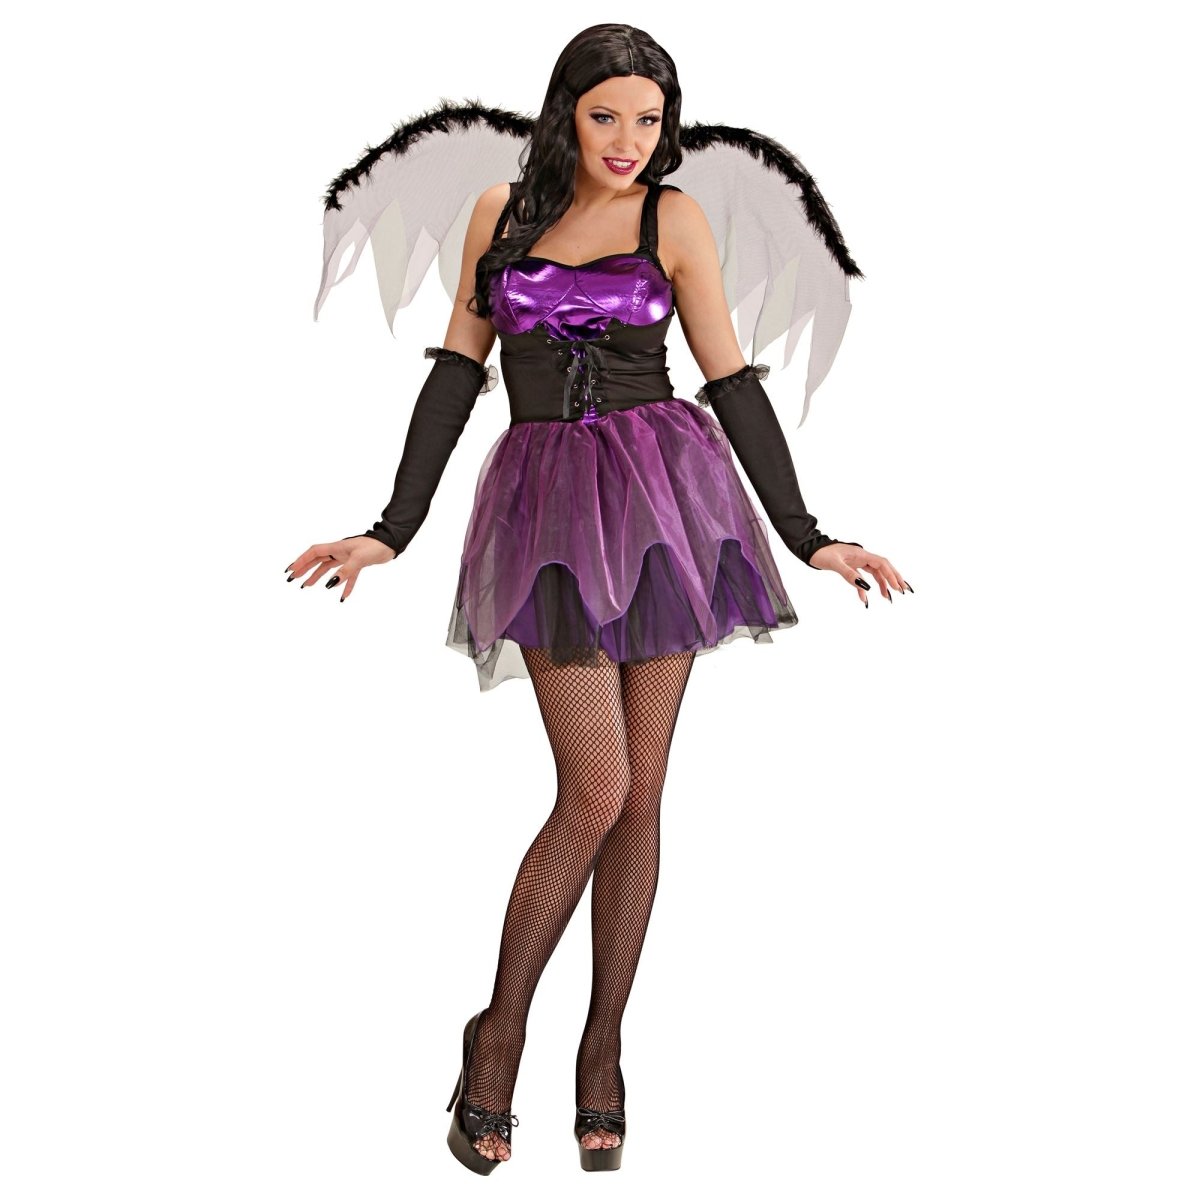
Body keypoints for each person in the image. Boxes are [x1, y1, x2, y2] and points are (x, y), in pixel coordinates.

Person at [287, 23, 911, 1175]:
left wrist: (812, 535)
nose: (629, 139)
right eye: (606, 115)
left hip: (668, 506)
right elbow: (457, 372)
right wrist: (390, 528)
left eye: (649, 119)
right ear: (565, 112)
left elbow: (729, 377)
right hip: (546, 516)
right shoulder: (501, 213)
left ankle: (604, 1046)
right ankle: (498, 1033)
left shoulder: (674, 218)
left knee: (642, 797)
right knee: (599, 787)